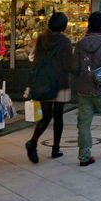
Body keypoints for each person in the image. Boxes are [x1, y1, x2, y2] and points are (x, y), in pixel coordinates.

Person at [71, 11, 101, 166]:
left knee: (84, 123)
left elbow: (74, 67)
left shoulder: (80, 44)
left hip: (83, 89)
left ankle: (84, 156)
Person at [25, 12, 72, 163]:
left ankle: (33, 141)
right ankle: (55, 148)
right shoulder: (65, 42)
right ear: (63, 26)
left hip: (44, 81)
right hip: (60, 83)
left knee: (46, 116)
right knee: (58, 116)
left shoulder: (41, 38)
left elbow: (35, 59)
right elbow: (68, 64)